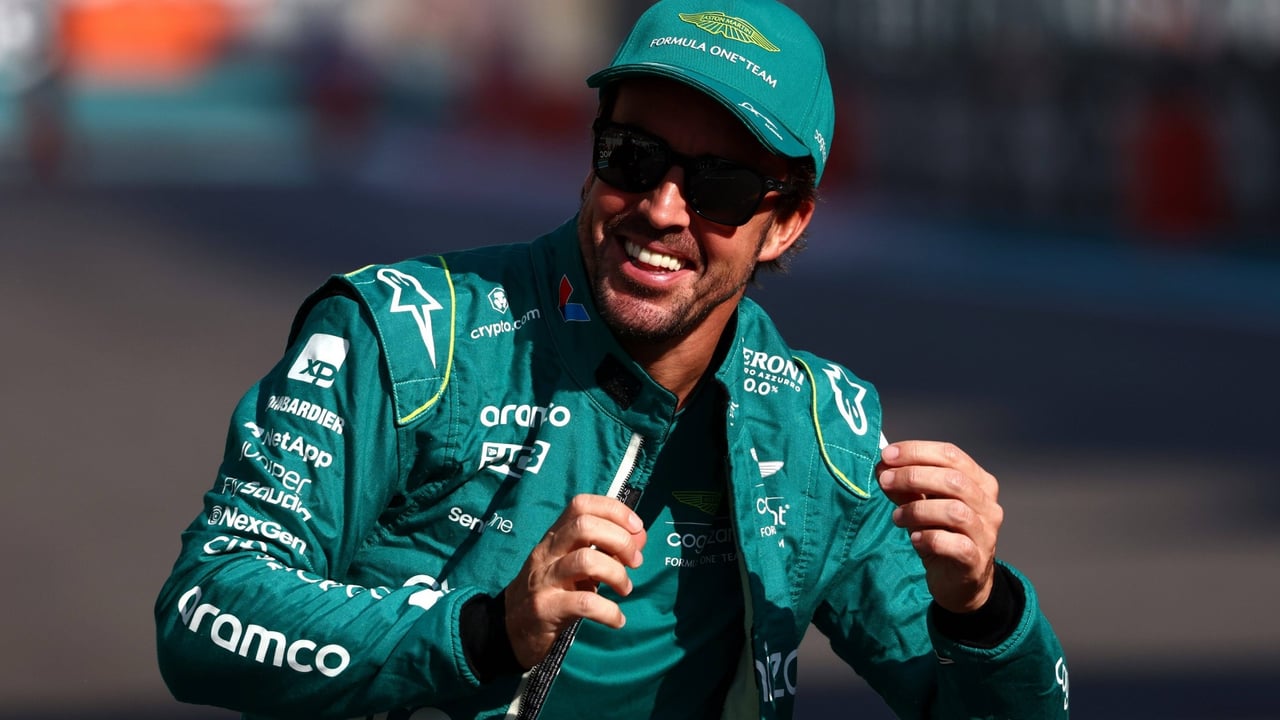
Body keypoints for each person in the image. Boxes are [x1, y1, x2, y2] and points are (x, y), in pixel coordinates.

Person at [155, 1, 1069, 718]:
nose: (662, 210)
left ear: (788, 222)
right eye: (633, 157)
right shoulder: (405, 333)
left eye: (719, 186)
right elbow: (206, 611)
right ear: (592, 158)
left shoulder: (817, 427)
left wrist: (981, 608)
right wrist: (486, 632)